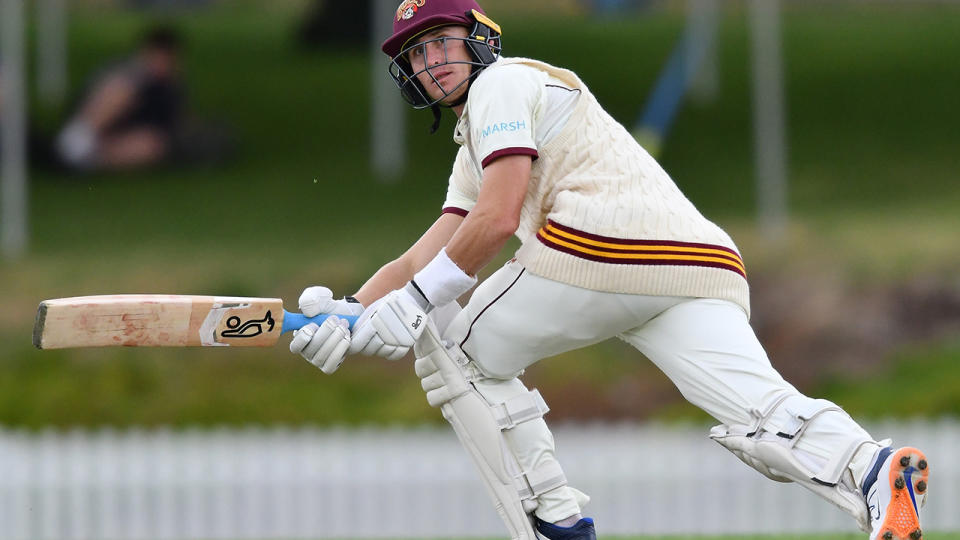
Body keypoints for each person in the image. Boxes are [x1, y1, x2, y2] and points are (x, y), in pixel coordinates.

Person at [289, 2, 931, 539]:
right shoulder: (477, 143)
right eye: (417, 55)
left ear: (478, 38)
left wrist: (414, 305)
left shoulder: (500, 84)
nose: (432, 63)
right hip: (697, 262)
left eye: (441, 43)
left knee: (455, 352)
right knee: (763, 409)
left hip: (599, 246)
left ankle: (558, 524)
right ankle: (876, 471)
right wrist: (352, 311)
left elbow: (498, 220)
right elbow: (418, 257)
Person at [55, 25, 186, 171]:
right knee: (125, 90)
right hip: (94, 123)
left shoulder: (170, 88)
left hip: (121, 137)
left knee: (152, 144)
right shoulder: (130, 74)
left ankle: (84, 159)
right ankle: (75, 141)